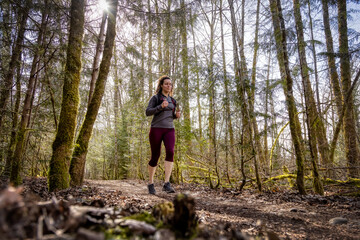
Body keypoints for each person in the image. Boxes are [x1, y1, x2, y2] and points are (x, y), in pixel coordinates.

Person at [145, 75, 181, 194]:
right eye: (166, 84)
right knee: (155, 155)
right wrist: (160, 106)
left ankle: (167, 183)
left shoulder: (173, 101)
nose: (168, 86)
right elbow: (148, 112)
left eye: (170, 84)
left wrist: (176, 116)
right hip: (156, 129)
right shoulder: (155, 98)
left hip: (169, 129)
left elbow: (170, 115)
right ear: (161, 85)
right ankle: (150, 183)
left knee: (170, 152)